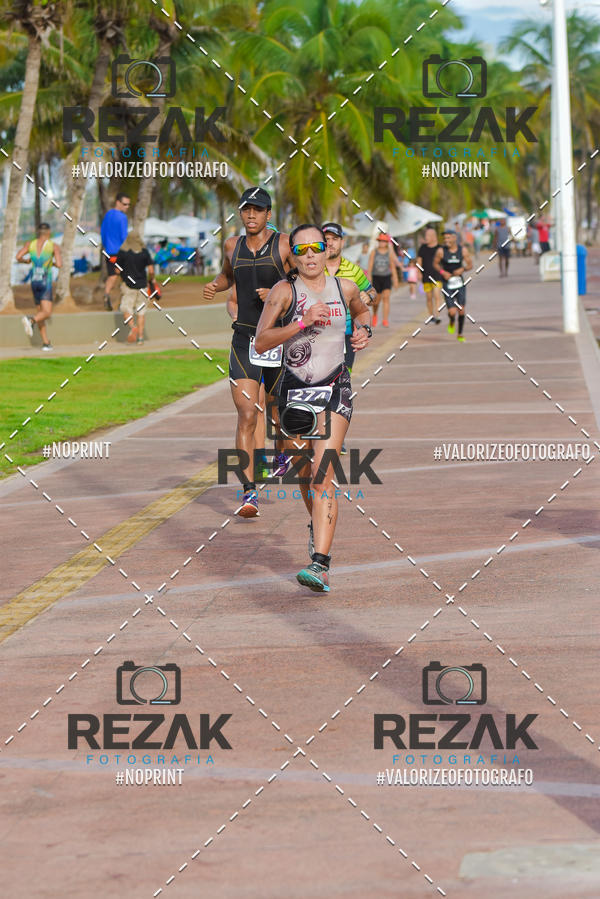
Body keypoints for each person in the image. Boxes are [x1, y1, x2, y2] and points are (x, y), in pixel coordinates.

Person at [255, 224, 371, 592]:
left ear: (326, 251)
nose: (309, 255)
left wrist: (364, 331)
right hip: (294, 392)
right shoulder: (283, 292)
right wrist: (302, 322)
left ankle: (320, 564)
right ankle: (317, 525)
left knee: (323, 475)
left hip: (336, 387)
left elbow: (363, 312)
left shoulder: (345, 287)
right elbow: (261, 341)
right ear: (292, 254)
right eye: (301, 249)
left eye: (316, 247)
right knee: (305, 477)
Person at [203, 186, 296, 517]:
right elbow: (229, 276)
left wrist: (277, 292)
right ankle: (249, 493)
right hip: (245, 339)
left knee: (278, 417)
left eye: (258, 210)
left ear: (269, 214)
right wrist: (217, 285)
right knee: (246, 413)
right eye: (246, 210)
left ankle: (282, 453)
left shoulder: (284, 244)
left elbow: (303, 282)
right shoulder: (232, 245)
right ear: (241, 213)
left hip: (278, 339)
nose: (252, 215)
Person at [17, 222, 62, 351]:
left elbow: (18, 256)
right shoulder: (53, 246)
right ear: (48, 233)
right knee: (46, 312)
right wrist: (51, 263)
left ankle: (46, 343)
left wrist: (26, 261)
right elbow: (59, 264)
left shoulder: (30, 244)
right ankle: (31, 321)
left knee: (41, 312)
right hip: (45, 281)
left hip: (34, 281)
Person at [115, 232, 155, 344]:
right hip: (142, 286)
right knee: (141, 312)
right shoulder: (145, 252)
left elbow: (117, 270)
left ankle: (133, 328)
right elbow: (151, 271)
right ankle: (141, 338)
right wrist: (152, 280)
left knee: (126, 310)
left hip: (128, 286)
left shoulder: (123, 252)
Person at [439, 229, 473, 342]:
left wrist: (462, 269)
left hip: (459, 283)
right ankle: (452, 321)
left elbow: (470, 265)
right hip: (447, 283)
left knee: (462, 310)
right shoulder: (441, 251)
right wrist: (443, 273)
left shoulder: (462, 250)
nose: (446, 240)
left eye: (448, 238)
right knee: (452, 312)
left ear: (454, 238)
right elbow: (435, 264)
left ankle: (460, 334)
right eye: (444, 238)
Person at [100, 193, 130, 310]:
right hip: (120, 252)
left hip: (108, 251)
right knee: (125, 276)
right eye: (125, 204)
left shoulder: (108, 215)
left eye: (128, 204)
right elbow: (124, 236)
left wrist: (107, 246)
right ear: (118, 202)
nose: (127, 206)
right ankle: (122, 302)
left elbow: (103, 233)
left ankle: (106, 294)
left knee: (112, 275)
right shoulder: (123, 217)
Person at [367, 234, 399, 327]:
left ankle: (385, 320)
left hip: (386, 277)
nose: (381, 243)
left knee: (386, 298)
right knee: (376, 301)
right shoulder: (374, 252)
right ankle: (375, 315)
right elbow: (370, 266)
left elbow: (392, 267)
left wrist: (395, 279)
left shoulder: (390, 253)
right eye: (380, 241)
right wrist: (369, 278)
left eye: (384, 241)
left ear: (387, 243)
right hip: (376, 277)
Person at [416, 226, 443, 324]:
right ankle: (431, 316)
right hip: (426, 276)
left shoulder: (440, 248)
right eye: (425, 235)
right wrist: (418, 272)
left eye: (428, 235)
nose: (426, 237)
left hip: (437, 276)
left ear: (433, 236)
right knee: (428, 297)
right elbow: (419, 261)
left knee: (437, 295)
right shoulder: (423, 248)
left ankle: (438, 315)